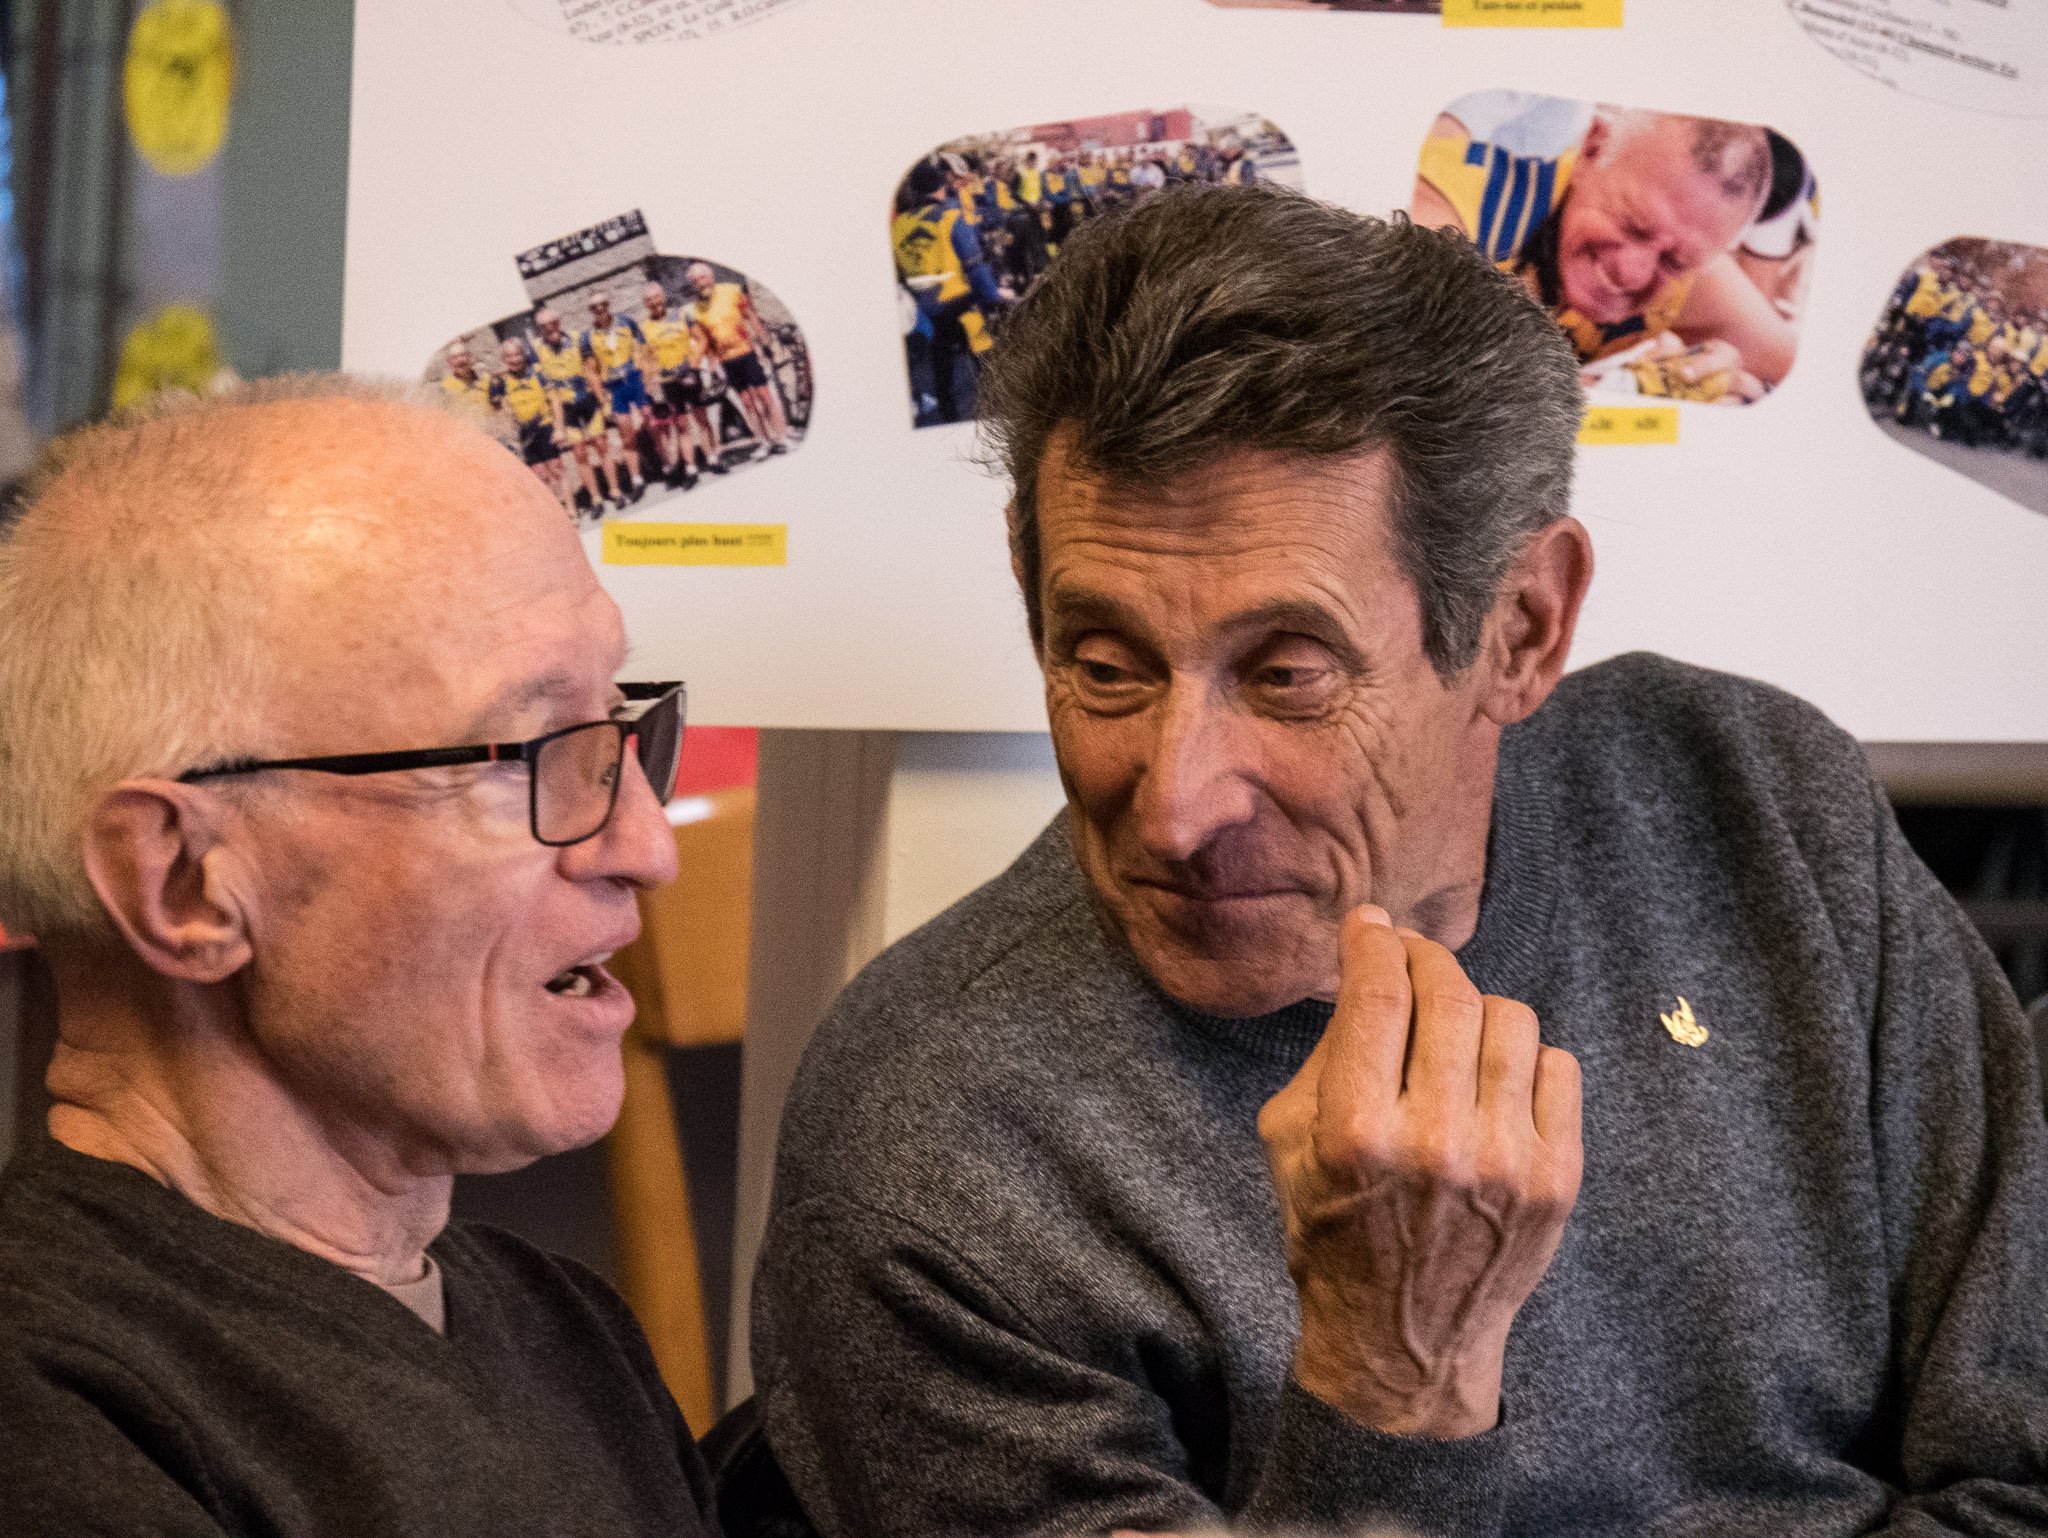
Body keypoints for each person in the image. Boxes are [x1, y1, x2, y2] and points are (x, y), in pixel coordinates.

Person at [751, 186, 2048, 1537]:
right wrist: (1388, 1382)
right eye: (1105, 665)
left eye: (1287, 674)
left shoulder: (1759, 808)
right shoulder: (935, 1152)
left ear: (1521, 629)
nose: (1176, 807)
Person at [0, 378, 716, 1536]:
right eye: (528, 750)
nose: (644, 845)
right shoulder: (61, 1416)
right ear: (185, 882)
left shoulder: (564, 1333)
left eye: (616, 732)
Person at [1413, 93, 1799, 400]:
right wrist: (1623, 393)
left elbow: (1806, 379)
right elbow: (1423, 375)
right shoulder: (1457, 204)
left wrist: (1734, 395)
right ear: (1591, 149)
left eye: (1674, 261)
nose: (1634, 274)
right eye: (1633, 224)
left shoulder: (1687, 273)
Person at [686, 260, 791, 457]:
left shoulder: (731, 290)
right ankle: (764, 441)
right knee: (747, 403)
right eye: (695, 281)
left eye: (702, 277)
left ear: (711, 276)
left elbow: (750, 316)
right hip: (727, 360)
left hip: (746, 352)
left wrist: (765, 341)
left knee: (764, 396)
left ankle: (780, 437)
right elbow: (707, 341)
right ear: (692, 285)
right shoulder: (697, 309)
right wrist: (713, 365)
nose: (700, 282)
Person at [490, 332, 577, 516]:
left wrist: (559, 428)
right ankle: (557, 513)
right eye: (509, 356)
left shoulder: (538, 373)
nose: (514, 359)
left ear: (524, 355)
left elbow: (555, 401)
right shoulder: (500, 381)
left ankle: (571, 510)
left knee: (557, 470)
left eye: (517, 354)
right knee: (540, 476)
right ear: (504, 359)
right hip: (524, 433)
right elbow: (495, 408)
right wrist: (507, 435)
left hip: (544, 427)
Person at [582, 290, 652, 504]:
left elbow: (644, 351)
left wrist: (648, 381)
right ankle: (637, 479)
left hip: (635, 379)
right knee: (626, 435)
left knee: (654, 423)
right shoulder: (588, 336)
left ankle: (670, 465)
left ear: (609, 304)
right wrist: (602, 400)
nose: (600, 309)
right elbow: (592, 372)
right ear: (591, 311)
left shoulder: (626, 322)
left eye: (603, 304)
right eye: (595, 307)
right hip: (614, 387)